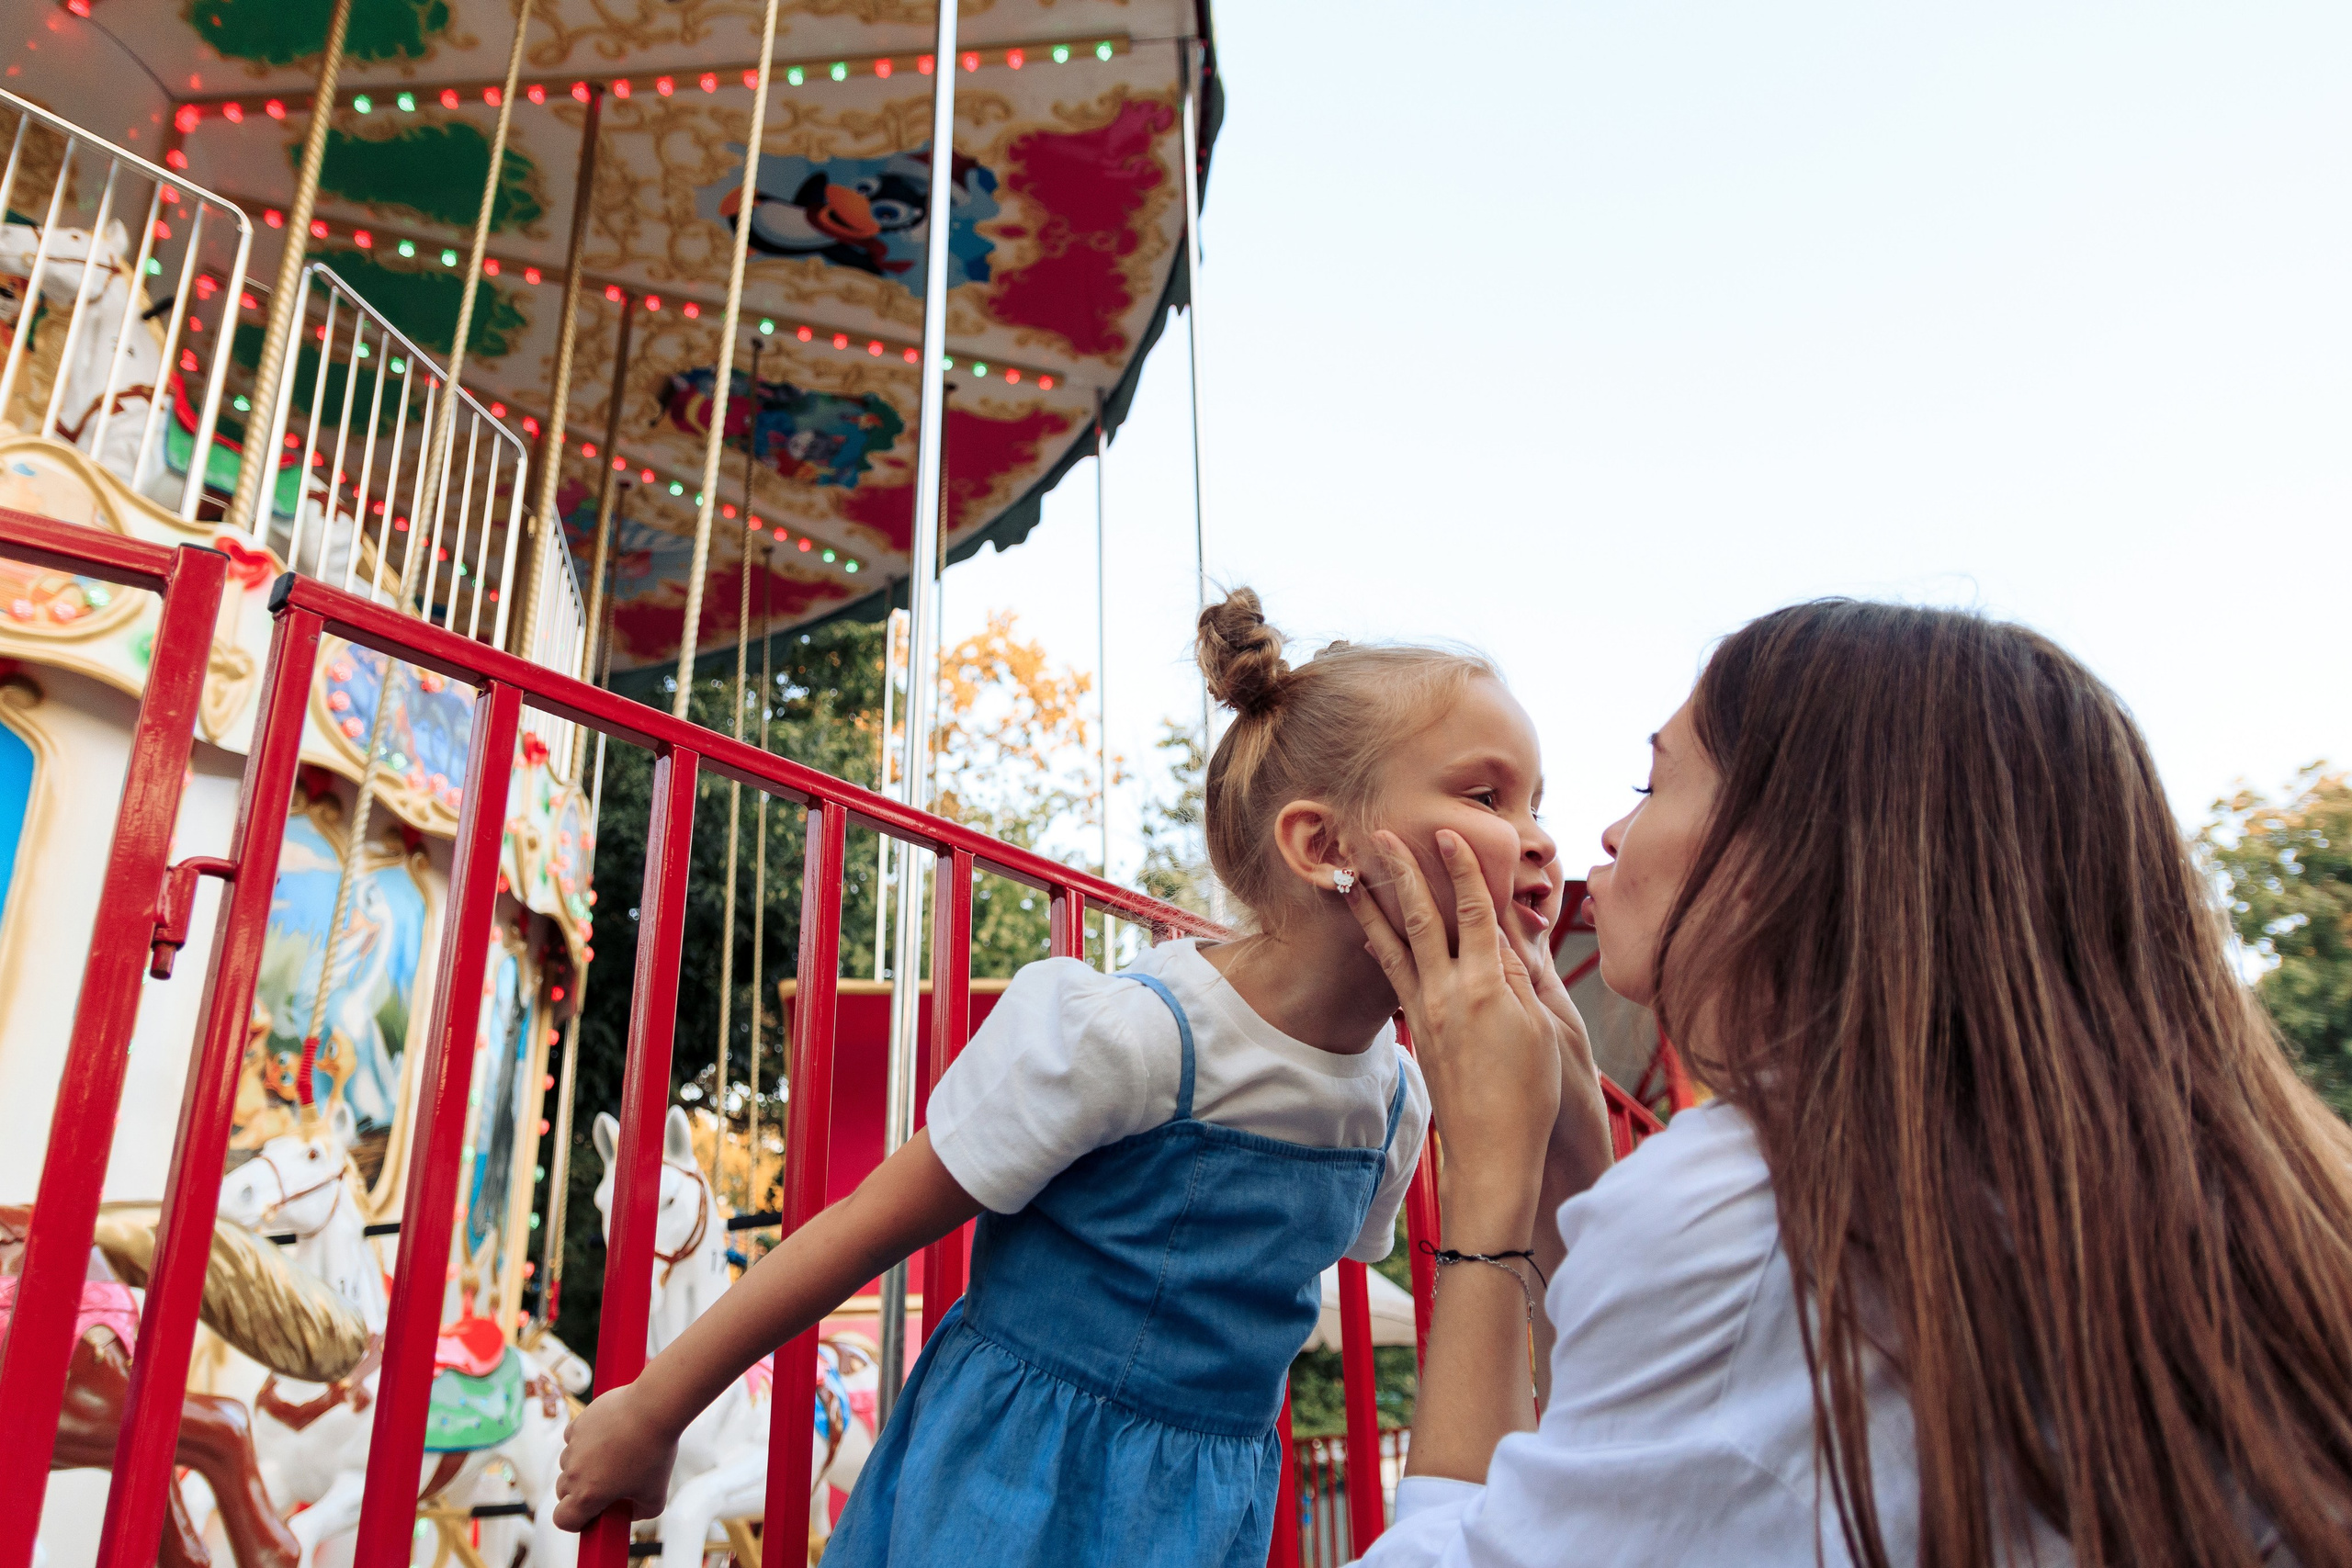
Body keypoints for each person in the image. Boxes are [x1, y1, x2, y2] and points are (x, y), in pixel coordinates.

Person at [553, 588, 1567, 1567]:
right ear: (1322, 844)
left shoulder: (1394, 1101)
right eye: (1487, 796)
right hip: (1012, 1474)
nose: (1538, 837)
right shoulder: (1133, 1036)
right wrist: (654, 1410)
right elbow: (863, 1227)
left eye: (1536, 802)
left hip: (1206, 1503)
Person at [1349, 599, 2352, 1568]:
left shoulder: (1765, 1201)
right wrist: (1576, 1163)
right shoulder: (2218, 1190)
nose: (1602, 837)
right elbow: (1621, 1472)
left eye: (1650, 786)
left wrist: (1489, 1186)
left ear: (1783, 849)